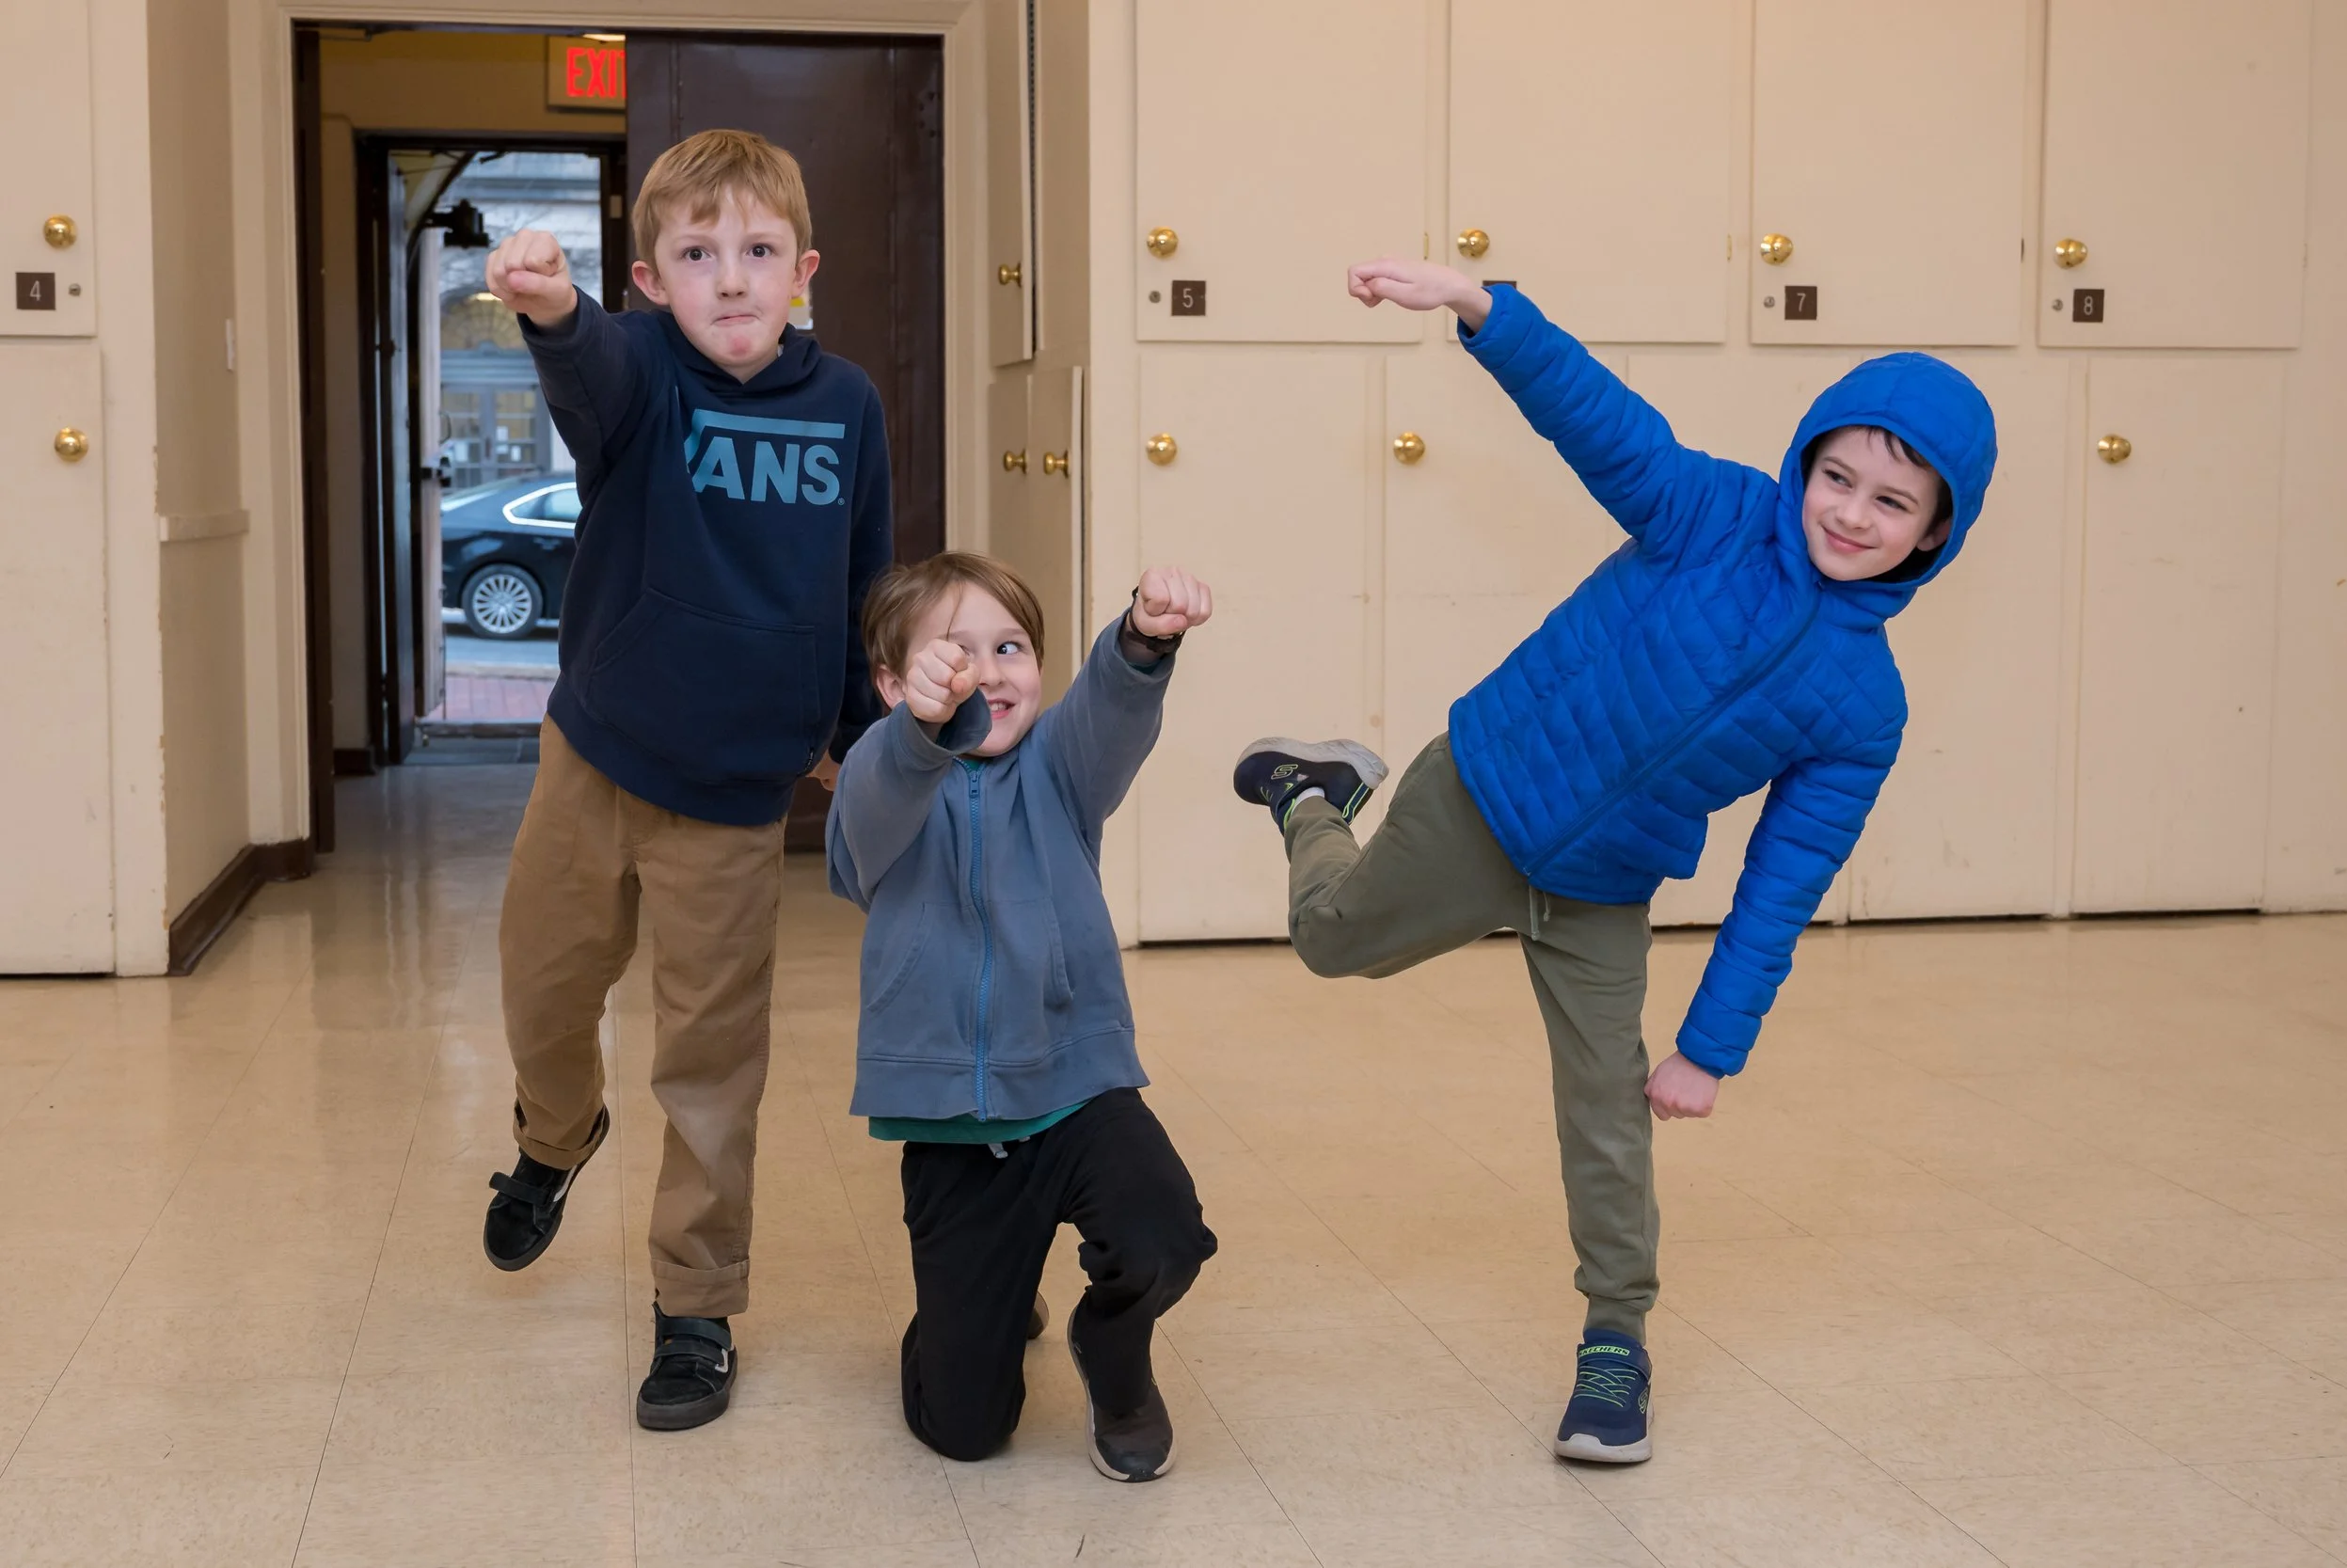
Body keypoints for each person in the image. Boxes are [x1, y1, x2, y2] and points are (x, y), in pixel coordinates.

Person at [1231, 257, 1998, 1465]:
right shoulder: (1711, 513)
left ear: (1937, 533)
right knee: (1332, 943)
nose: (1852, 514)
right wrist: (1481, 308)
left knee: (1606, 1110)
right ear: (1803, 463)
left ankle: (1615, 1338)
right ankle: (1311, 794)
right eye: (1837, 477)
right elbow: (1596, 419)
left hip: (1603, 883)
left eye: (1892, 502)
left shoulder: (1864, 705)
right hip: (1484, 789)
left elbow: (1782, 881)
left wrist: (1709, 1046)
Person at [475, 129, 895, 1433]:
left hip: (735, 792)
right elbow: (587, 363)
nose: (732, 278)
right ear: (652, 282)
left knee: (712, 1059)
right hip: (596, 754)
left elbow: (861, 578)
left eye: (758, 251)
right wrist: (552, 305)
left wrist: (853, 735)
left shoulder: (848, 406)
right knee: (544, 988)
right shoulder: (641, 372)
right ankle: (556, 1135)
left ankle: (697, 1302)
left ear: (803, 270)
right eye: (698, 256)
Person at [828, 553, 1220, 1481]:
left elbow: (1110, 709)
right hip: (955, 1127)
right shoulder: (881, 781)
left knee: (1164, 1232)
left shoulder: (1060, 769)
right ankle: (974, 1313)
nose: (988, 670)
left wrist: (1142, 640)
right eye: (953, 651)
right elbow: (871, 805)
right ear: (893, 683)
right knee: (964, 1428)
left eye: (1010, 647)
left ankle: (1113, 1354)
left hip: (1075, 1086)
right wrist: (922, 729)